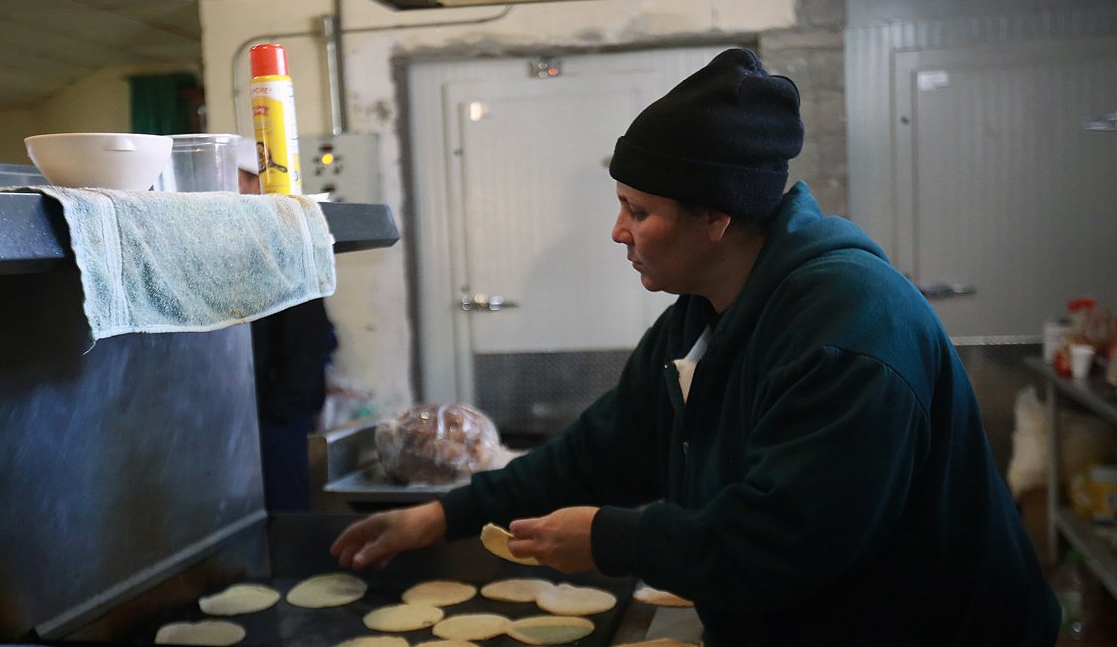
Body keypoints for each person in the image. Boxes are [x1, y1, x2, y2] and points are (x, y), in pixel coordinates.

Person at [330, 48, 1059, 644]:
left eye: (638, 211)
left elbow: (787, 543)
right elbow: (604, 446)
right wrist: (443, 514)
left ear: (715, 216)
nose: (618, 232)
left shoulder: (848, 329)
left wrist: (617, 537)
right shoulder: (704, 311)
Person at [240, 137, 338, 512]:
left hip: (277, 415)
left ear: (256, 182)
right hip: (256, 410)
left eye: (236, 180)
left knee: (283, 509)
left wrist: (279, 408)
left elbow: (308, 341)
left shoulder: (287, 241)